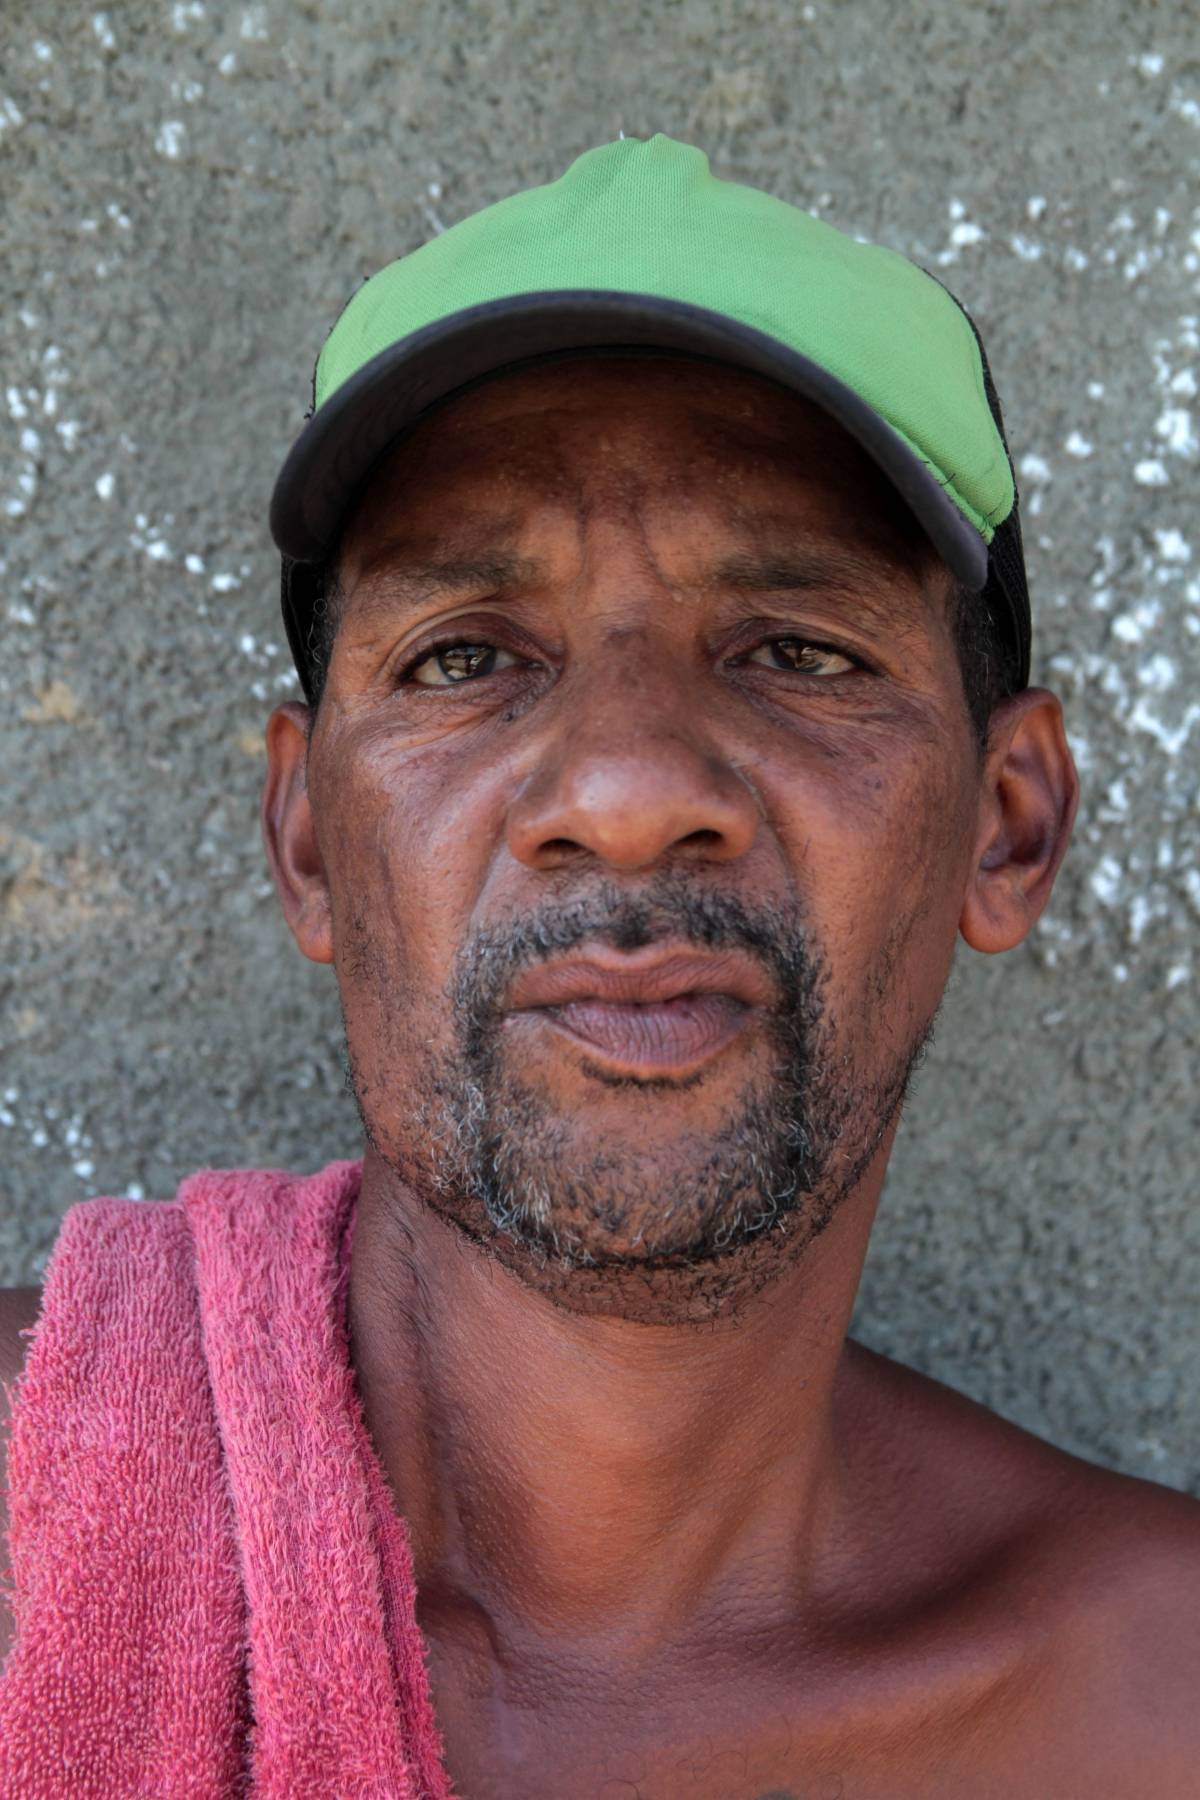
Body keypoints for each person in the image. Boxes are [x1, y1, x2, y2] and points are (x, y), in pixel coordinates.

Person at [1, 134, 1197, 1798]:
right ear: (311, 843)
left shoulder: (1152, 1704)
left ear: (1009, 828)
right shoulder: (16, 1533)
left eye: (796, 650)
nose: (629, 792)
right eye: (469, 657)